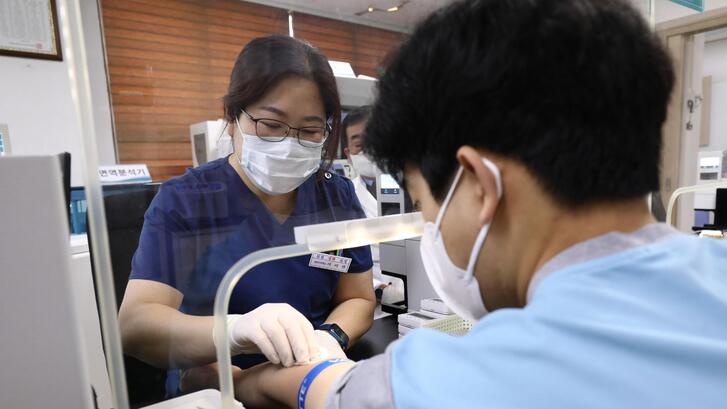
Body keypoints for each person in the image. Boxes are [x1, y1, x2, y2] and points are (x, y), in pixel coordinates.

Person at [231, 1, 727, 408]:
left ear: (480, 188)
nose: (432, 230)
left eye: (427, 208)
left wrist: (238, 379)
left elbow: (328, 392)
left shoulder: (464, 380)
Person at [118, 35, 375, 396]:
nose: (289, 143)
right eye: (271, 125)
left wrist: (328, 337)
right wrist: (233, 332)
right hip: (214, 384)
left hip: (309, 369)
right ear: (231, 117)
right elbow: (136, 324)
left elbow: (359, 299)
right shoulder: (188, 201)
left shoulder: (335, 194)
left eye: (311, 130)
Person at [341, 106, 389, 294]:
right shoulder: (343, 195)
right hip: (370, 293)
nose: (370, 150)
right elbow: (341, 260)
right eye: (360, 145)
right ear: (348, 154)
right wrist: (376, 286)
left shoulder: (417, 186)